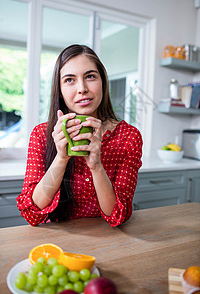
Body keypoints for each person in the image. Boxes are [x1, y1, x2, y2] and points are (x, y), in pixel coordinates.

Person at [17, 44, 143, 227]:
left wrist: (96, 166)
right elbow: (32, 213)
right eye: (69, 80)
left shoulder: (128, 137)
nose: (82, 88)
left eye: (90, 76)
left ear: (103, 82)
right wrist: (61, 158)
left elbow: (118, 216)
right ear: (59, 89)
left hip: (108, 240)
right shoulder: (42, 135)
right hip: (59, 242)